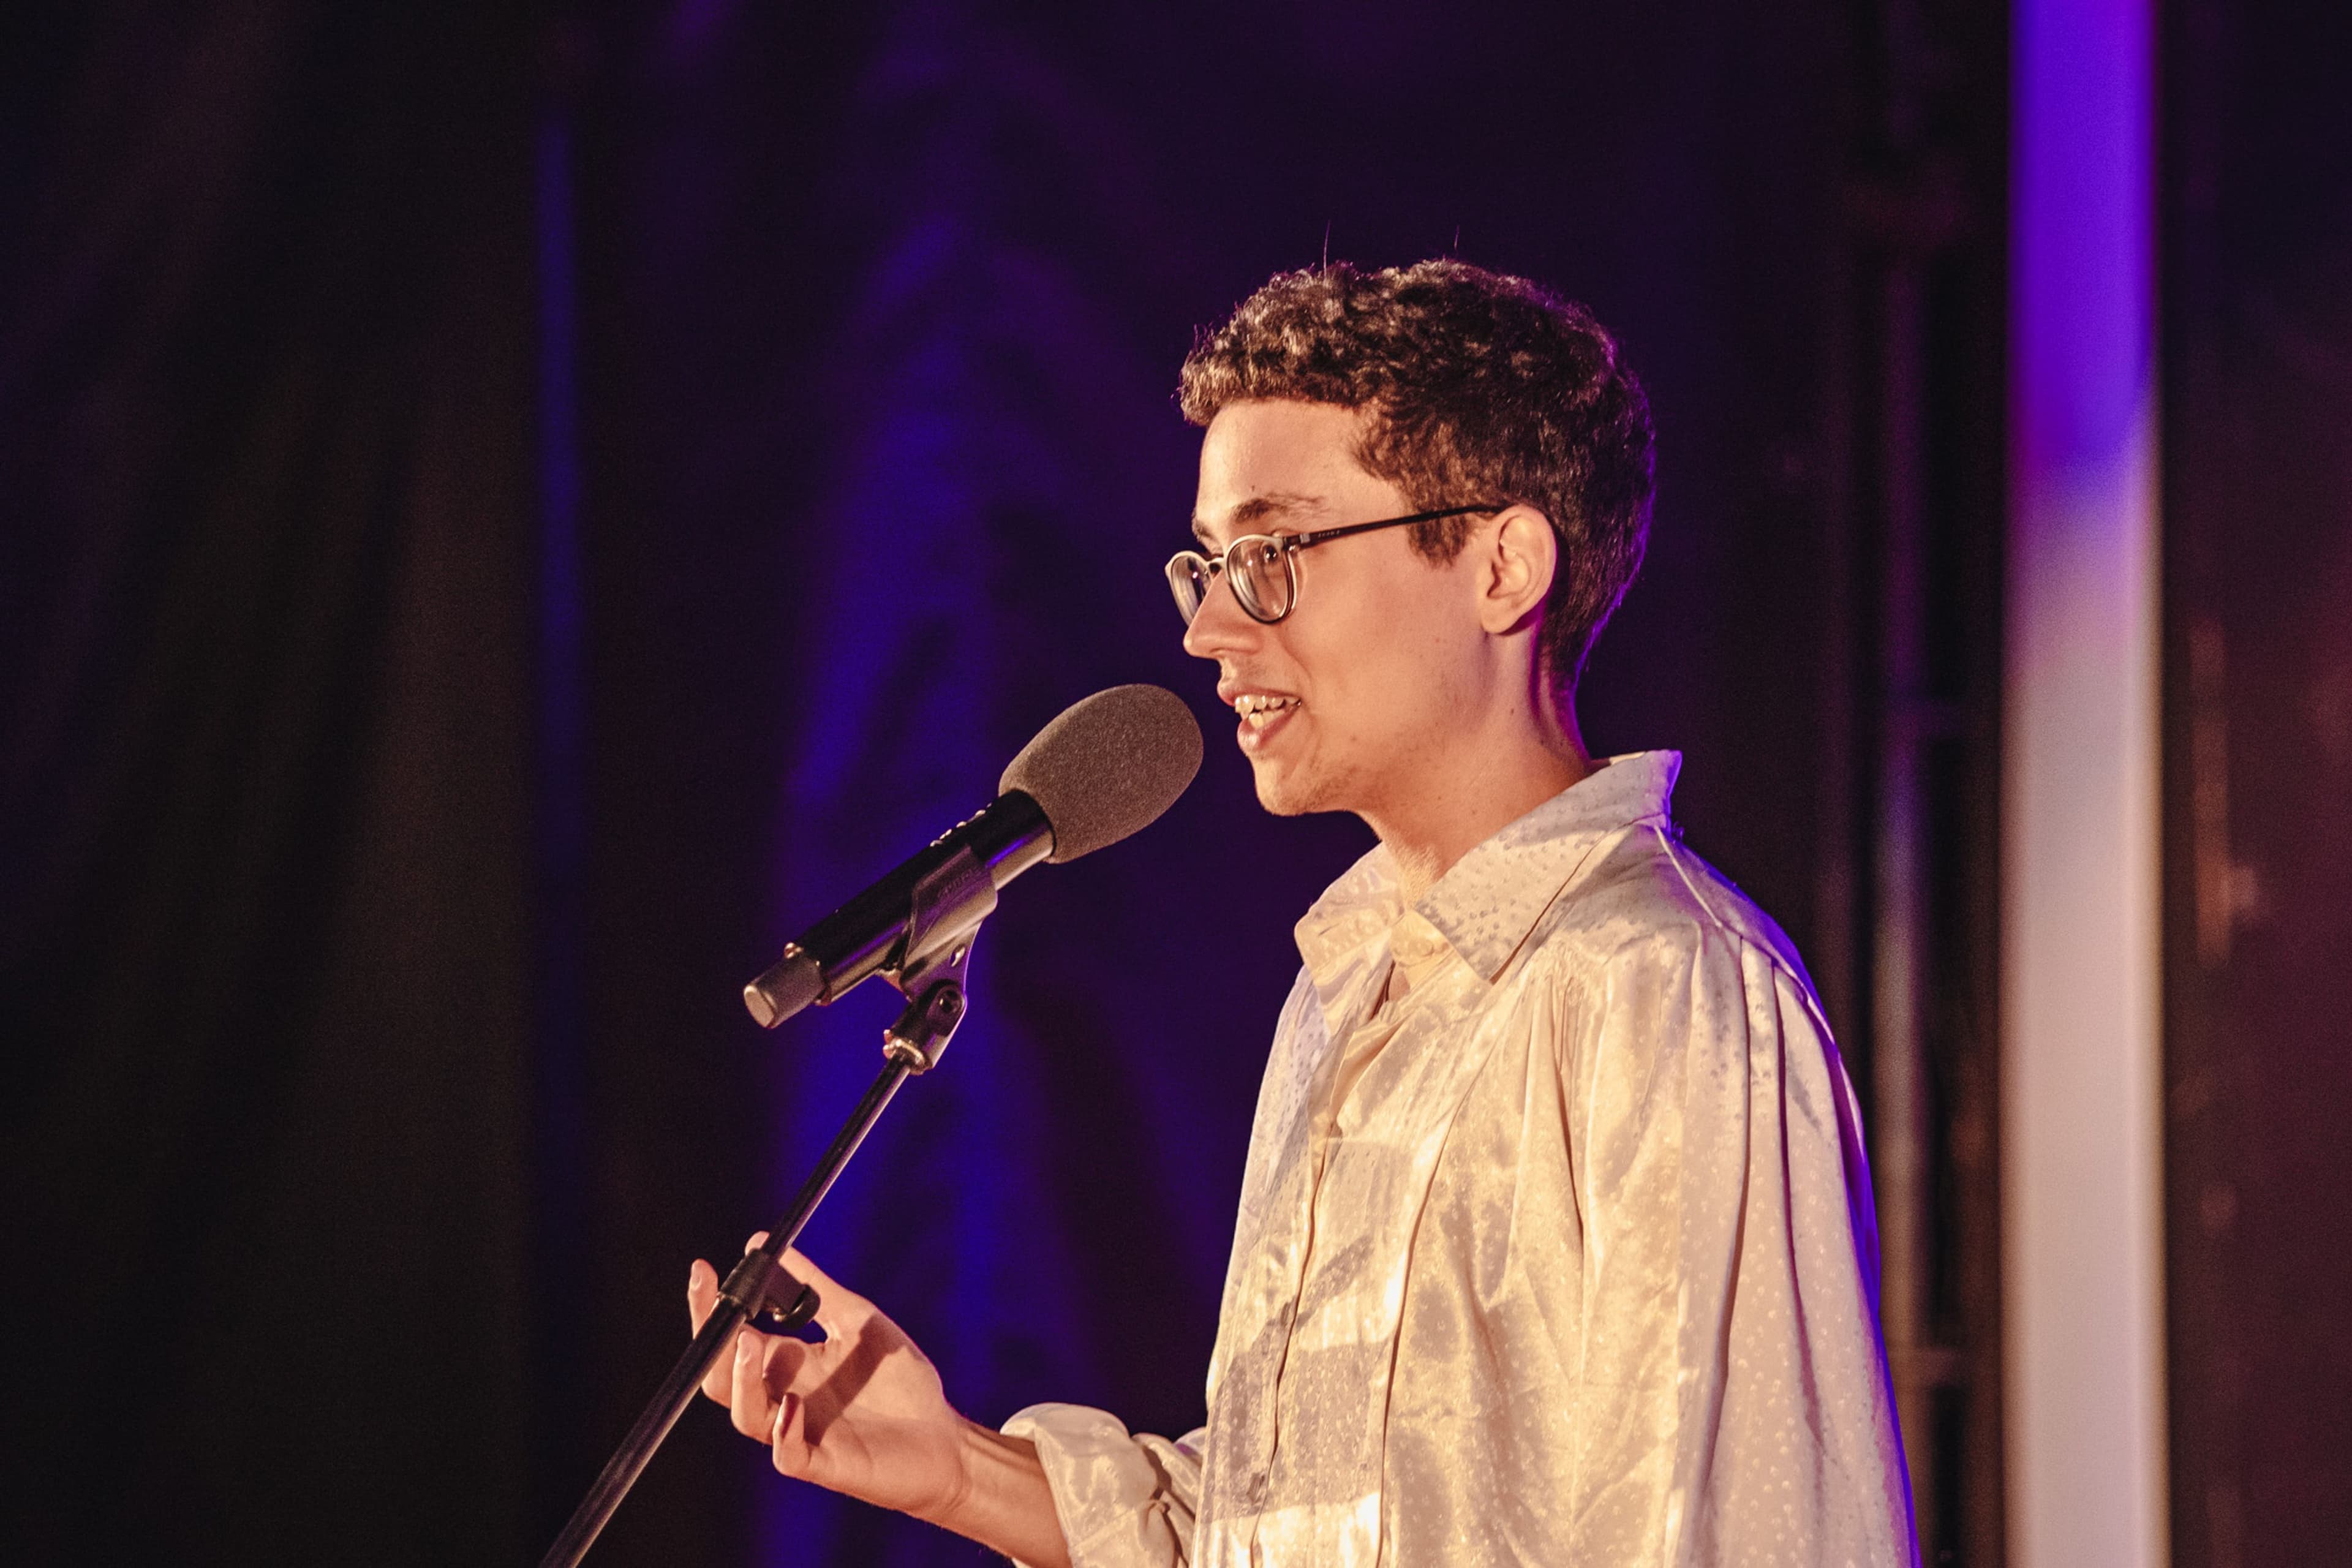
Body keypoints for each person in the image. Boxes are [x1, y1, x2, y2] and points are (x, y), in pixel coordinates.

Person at [688, 260, 1920, 1566]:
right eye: (1208, 565)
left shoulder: (1660, 985)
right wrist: (960, 1468)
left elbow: (1745, 1530)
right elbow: (1289, 1530)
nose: (1211, 629)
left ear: (1504, 567)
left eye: (1273, 554)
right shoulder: (1348, 990)